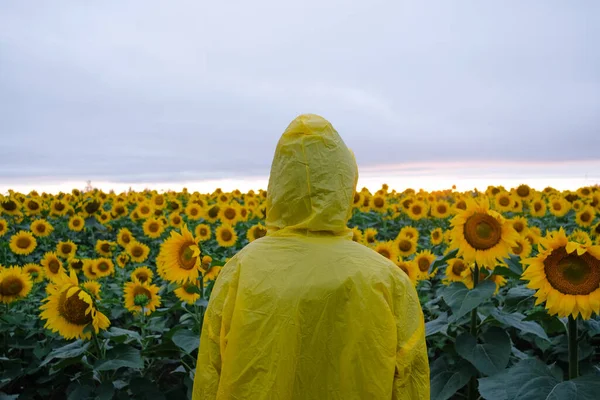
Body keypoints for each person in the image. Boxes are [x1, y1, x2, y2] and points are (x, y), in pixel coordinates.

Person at [192, 114, 430, 400]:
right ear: (345, 182)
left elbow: (209, 373)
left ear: (279, 182)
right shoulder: (388, 278)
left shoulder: (240, 269)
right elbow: (410, 379)